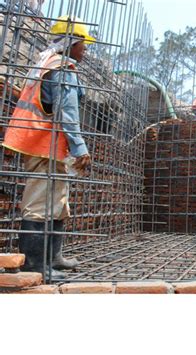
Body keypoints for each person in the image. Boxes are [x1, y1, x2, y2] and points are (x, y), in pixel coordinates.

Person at [2, 15, 95, 278]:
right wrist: (80, 148)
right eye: (83, 44)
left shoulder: (47, 65)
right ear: (72, 43)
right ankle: (34, 265)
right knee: (40, 205)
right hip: (43, 146)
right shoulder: (61, 68)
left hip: (49, 148)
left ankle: (53, 258)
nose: (85, 49)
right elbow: (67, 113)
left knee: (58, 203)